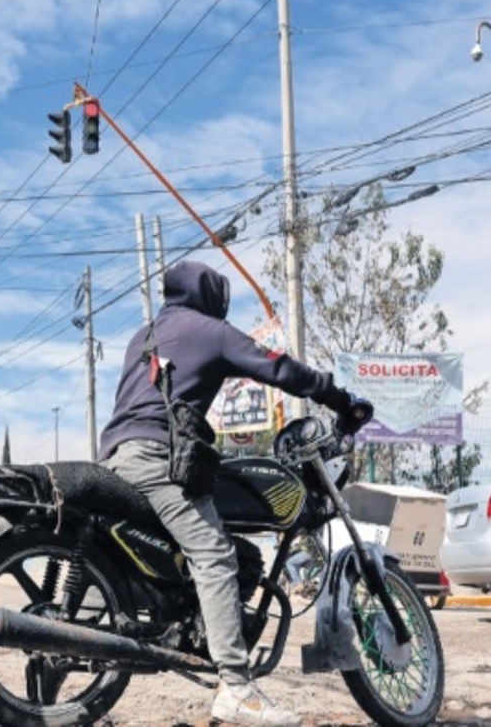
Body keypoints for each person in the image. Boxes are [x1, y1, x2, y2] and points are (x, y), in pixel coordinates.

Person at [98, 259, 355, 727]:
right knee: (215, 553)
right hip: (156, 458)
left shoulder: (144, 335)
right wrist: (336, 396)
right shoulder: (210, 331)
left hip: (116, 455)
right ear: (212, 297)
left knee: (193, 539)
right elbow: (277, 368)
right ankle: (236, 686)